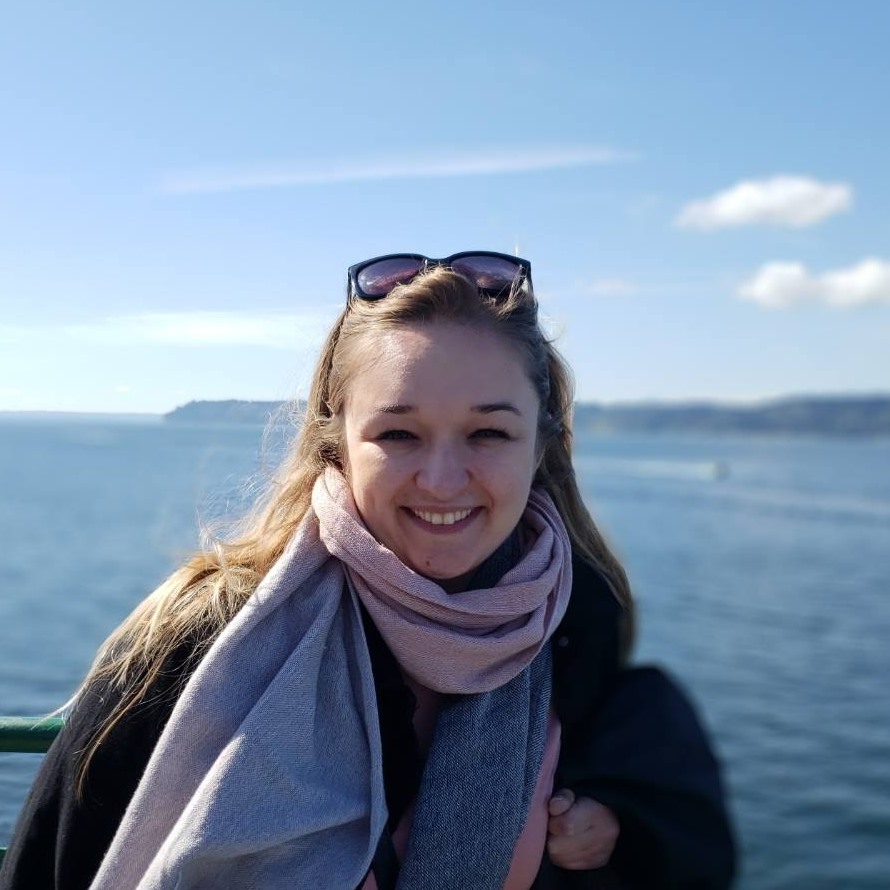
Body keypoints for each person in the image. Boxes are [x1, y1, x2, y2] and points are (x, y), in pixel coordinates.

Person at [0, 252, 736, 889]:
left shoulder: (572, 623)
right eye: (398, 433)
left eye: (488, 431)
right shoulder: (202, 642)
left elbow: (661, 806)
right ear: (336, 443)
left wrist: (619, 823)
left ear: (541, 444)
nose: (443, 480)